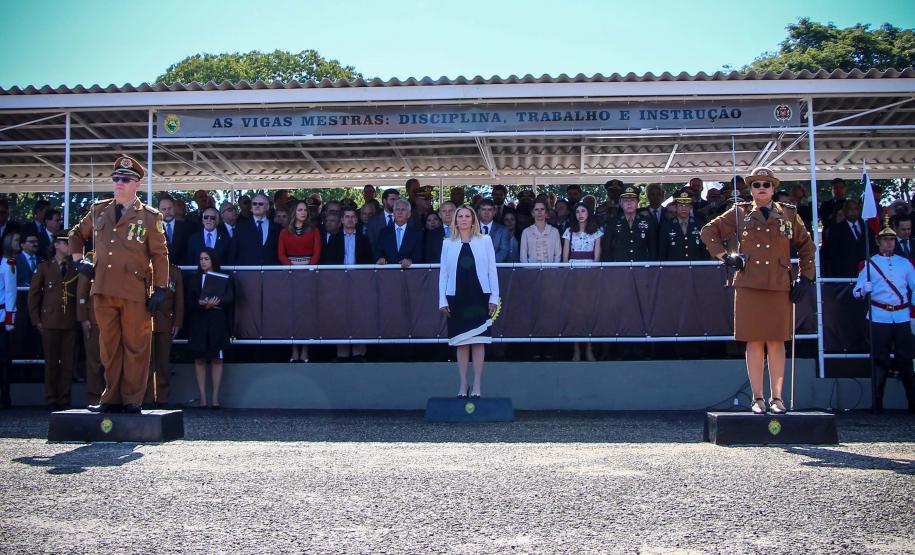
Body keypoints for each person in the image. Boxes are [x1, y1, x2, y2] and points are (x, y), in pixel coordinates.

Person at [700, 167, 816, 414]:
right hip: (749, 283)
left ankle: (777, 398)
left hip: (778, 284)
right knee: (753, 342)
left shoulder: (788, 213)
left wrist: (806, 277)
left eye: (766, 184)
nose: (761, 188)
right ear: (750, 189)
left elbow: (806, 245)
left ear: (774, 188)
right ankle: (758, 398)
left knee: (776, 342)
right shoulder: (739, 212)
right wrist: (727, 257)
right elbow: (708, 231)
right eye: (756, 184)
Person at [70, 155, 170, 414]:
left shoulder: (150, 216)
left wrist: (160, 288)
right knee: (109, 346)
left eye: (125, 180)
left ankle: (133, 399)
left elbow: (160, 254)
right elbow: (75, 235)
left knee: (136, 346)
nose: (119, 183)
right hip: (103, 289)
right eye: (116, 179)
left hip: (134, 290)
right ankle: (110, 397)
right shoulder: (99, 210)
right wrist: (79, 260)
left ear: (136, 184)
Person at [853, 222, 915, 413]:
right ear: (878, 242)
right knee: (880, 360)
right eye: (885, 240)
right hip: (879, 315)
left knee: (906, 359)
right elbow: (856, 292)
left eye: (891, 240)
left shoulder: (904, 264)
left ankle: (912, 400)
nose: (888, 244)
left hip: (902, 315)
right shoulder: (870, 264)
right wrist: (864, 288)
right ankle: (877, 401)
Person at [439, 206, 499, 397]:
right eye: (460, 217)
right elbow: (444, 274)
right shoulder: (448, 243)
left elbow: (492, 270)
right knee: (462, 342)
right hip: (456, 296)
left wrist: (494, 297)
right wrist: (442, 300)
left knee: (479, 341)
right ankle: (463, 385)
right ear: (455, 221)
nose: (464, 219)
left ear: (473, 220)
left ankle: (478, 386)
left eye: (467, 216)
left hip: (480, 295)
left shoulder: (485, 241)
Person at [28, 232, 79, 411]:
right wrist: (36, 320)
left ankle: (64, 398)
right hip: (49, 320)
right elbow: (33, 295)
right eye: (65, 243)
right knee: (51, 362)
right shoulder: (44, 267)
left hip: (70, 321)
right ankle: (51, 397)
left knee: (67, 363)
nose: (68, 247)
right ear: (56, 245)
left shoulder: (75, 267)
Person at [186, 248, 234, 408]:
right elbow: (189, 302)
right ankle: (202, 398)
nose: (203, 262)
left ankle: (215, 398)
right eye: (201, 259)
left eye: (206, 258)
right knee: (199, 359)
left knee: (217, 358)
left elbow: (230, 298)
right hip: (199, 322)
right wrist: (202, 305)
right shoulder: (193, 279)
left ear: (212, 259)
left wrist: (216, 302)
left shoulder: (225, 278)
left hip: (216, 322)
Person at [562, 203, 603, 362]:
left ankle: (589, 349)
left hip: (589, 275)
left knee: (589, 313)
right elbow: (565, 257)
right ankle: (576, 350)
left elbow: (597, 257)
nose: (580, 214)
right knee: (575, 314)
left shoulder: (596, 233)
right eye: (577, 211)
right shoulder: (569, 232)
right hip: (573, 274)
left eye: (583, 211)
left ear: (588, 213)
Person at [146, 263, 183, 408]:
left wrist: (177, 323)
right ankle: (147, 397)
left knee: (163, 362)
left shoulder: (174, 271)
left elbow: (179, 300)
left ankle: (162, 398)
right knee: (147, 363)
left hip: (166, 321)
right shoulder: (145, 267)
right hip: (146, 320)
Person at [601, 185, 658, 262]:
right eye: (626, 201)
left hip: (641, 267)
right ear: (621, 204)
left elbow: (653, 248)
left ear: (637, 202)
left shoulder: (647, 221)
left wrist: (652, 267)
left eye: (632, 200)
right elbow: (607, 248)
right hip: (620, 267)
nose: (629, 203)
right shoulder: (613, 222)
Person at [822, 199, 872, 277]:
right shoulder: (836, 230)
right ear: (844, 211)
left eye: (855, 209)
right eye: (850, 209)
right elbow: (833, 253)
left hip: (866, 272)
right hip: (845, 274)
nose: (853, 212)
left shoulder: (867, 228)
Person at [75, 272, 103, 406]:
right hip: (94, 320)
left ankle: (113, 397)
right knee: (94, 361)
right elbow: (81, 293)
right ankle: (95, 397)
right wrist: (83, 319)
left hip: (113, 318)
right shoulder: (90, 260)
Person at [234, 192, 281, 266]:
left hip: (271, 272)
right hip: (247, 272)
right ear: (251, 207)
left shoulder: (277, 228)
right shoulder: (241, 227)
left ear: (267, 207)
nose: (257, 206)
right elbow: (234, 252)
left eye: (261, 204)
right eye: (254, 204)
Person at [660, 193, 709, 261]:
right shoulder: (666, 226)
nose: (684, 209)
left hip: (696, 266)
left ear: (691, 207)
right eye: (680, 206)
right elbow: (662, 250)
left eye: (687, 206)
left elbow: (704, 249)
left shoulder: (700, 224)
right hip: (674, 266)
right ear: (676, 208)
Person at [374, 199, 423, 267]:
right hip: (388, 273)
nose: (400, 212)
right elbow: (378, 252)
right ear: (393, 213)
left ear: (409, 214)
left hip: (409, 273)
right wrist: (380, 259)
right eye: (397, 209)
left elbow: (419, 254)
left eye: (403, 210)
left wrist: (410, 261)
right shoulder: (384, 232)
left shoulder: (417, 233)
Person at [0, 233, 19, 408]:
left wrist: (9, 320)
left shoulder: (7, 264)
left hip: (1, 318)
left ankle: (4, 397)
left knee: (3, 360)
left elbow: (11, 293)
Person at [278, 200, 322, 266]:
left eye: (305, 210)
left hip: (310, 269)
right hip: (290, 270)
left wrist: (309, 267)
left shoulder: (314, 230)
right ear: (294, 212)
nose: (303, 212)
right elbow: (281, 255)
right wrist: (291, 267)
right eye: (300, 210)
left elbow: (317, 253)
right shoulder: (284, 232)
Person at [158, 195, 194, 267]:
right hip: (161, 271)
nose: (167, 212)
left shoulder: (188, 228)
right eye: (164, 209)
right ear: (159, 211)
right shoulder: (153, 229)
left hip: (185, 271)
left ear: (174, 208)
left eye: (170, 208)